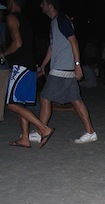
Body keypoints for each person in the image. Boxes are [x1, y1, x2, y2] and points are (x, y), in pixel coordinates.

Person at [30, 0, 97, 144]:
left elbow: (74, 41)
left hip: (62, 68)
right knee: (76, 100)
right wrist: (43, 65)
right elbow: (52, 47)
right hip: (62, 68)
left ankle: (42, 131)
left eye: (43, 3)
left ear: (50, 5)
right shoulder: (55, 22)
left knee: (44, 97)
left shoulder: (62, 19)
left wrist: (77, 64)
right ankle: (90, 132)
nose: (40, 5)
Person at [1, 0, 54, 148]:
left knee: (11, 104)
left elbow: (17, 43)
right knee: (20, 104)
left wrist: (3, 54)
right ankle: (25, 138)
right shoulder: (26, 20)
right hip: (29, 66)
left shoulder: (11, 17)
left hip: (21, 67)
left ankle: (44, 129)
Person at [0, 3, 8, 125]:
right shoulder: (4, 27)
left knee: (2, 92)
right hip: (4, 63)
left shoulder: (4, 26)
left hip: (4, 63)